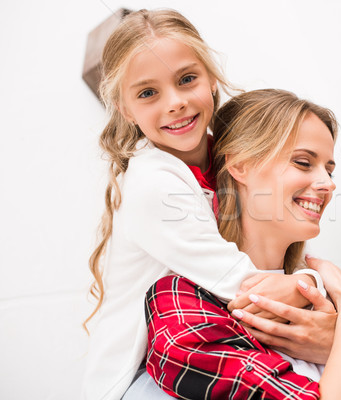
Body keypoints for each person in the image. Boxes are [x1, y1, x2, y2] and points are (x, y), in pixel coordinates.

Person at [141, 89, 341, 399]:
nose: (328, 184)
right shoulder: (182, 302)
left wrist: (334, 341)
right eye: (304, 162)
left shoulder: (316, 291)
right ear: (240, 165)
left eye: (329, 168)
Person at [82, 10, 324, 400]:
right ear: (125, 109)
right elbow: (244, 285)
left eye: (186, 79)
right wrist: (313, 285)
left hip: (214, 342)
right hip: (148, 372)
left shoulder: (231, 155)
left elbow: (275, 251)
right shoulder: (152, 183)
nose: (175, 103)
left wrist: (305, 279)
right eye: (148, 93)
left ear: (210, 78)